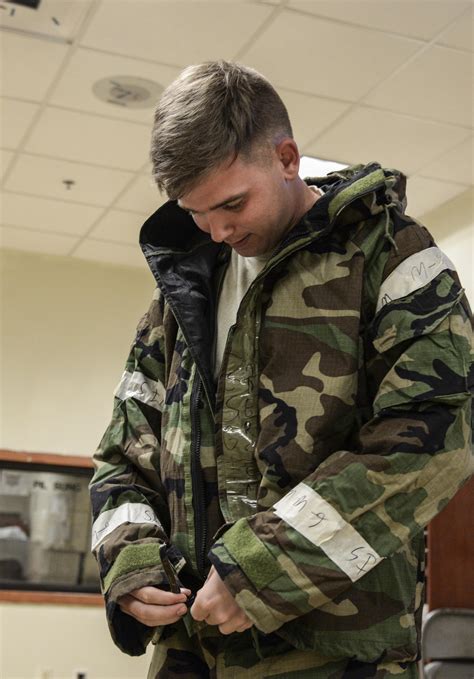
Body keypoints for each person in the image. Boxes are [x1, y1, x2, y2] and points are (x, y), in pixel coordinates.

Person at [89, 61, 473, 678]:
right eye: (195, 213)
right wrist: (130, 565)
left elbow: (432, 444)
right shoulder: (183, 289)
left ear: (287, 157)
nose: (217, 229)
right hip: (192, 651)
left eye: (233, 203)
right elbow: (124, 451)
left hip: (335, 654)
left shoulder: (393, 256)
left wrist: (262, 570)